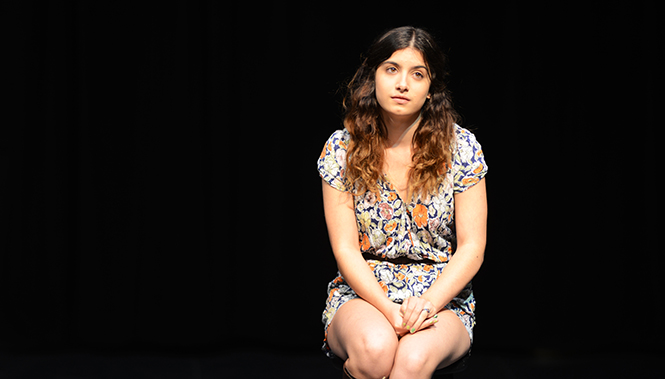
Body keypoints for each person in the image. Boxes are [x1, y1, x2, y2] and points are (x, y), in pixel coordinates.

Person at [317, 26, 488, 379]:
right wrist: (389, 310)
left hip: (440, 294)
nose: (403, 84)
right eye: (391, 69)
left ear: (431, 89)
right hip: (364, 291)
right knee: (375, 351)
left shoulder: (462, 147)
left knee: (410, 361)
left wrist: (425, 304)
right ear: (373, 77)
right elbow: (345, 249)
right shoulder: (341, 149)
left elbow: (473, 246)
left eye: (418, 74)